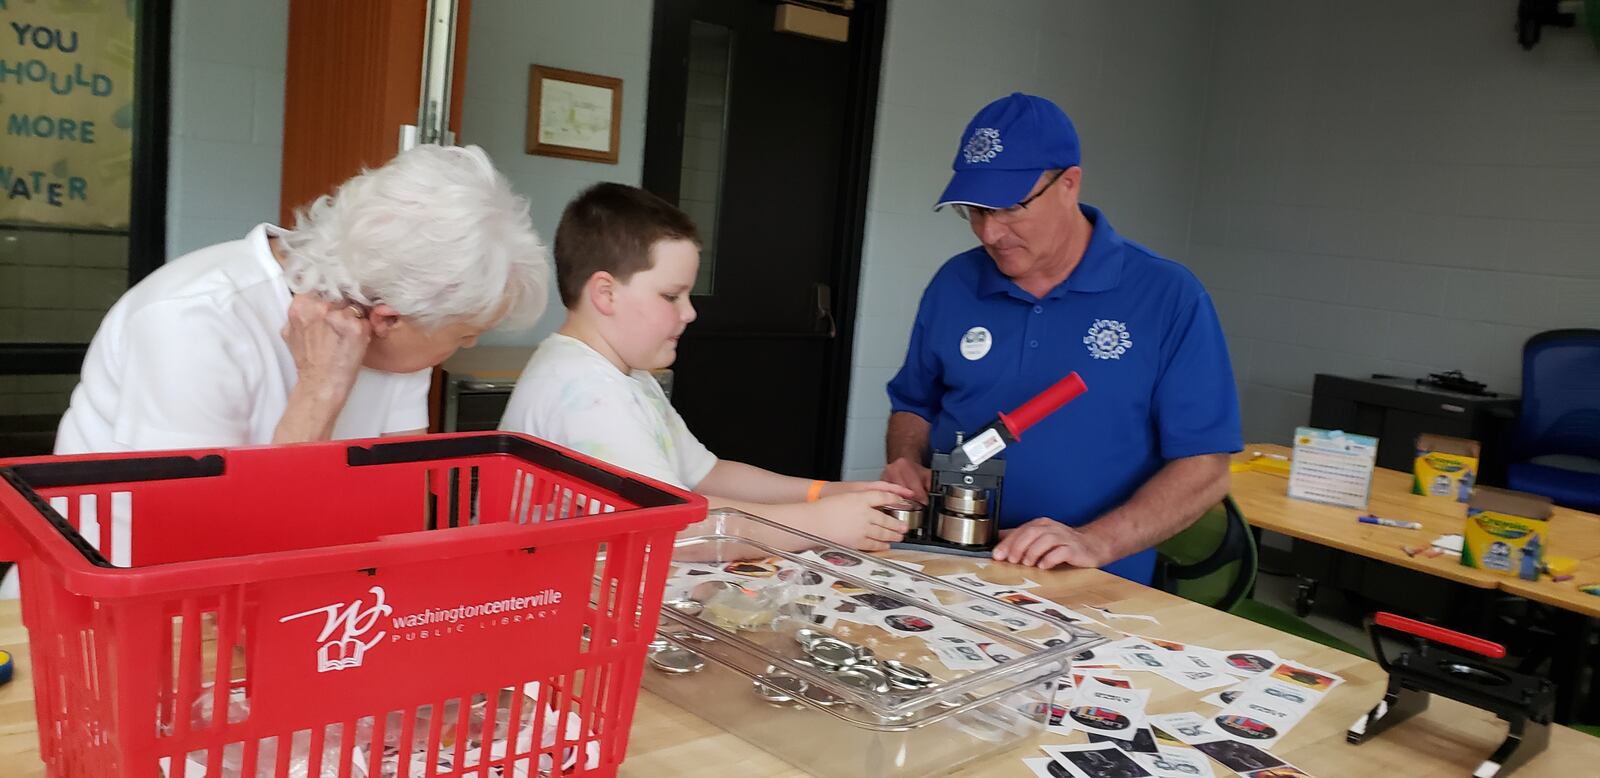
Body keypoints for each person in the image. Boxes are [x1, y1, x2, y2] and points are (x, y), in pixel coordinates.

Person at [879, 93, 1241, 583]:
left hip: (1092, 581)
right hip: (948, 565)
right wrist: (904, 460)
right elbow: (914, 404)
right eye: (974, 211)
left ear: (1069, 183)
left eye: (1009, 207)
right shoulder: (954, 282)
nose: (989, 233)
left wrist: (1096, 540)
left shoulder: (1167, 296)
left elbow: (1205, 467)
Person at [55, 144, 550, 454]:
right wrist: (321, 390)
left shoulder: (402, 331)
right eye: (466, 335)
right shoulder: (193, 319)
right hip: (114, 596)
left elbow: (394, 504)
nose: (464, 349)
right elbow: (200, 544)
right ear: (387, 318)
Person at [500, 183, 911, 551]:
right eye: (671, 295)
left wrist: (823, 494)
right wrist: (819, 524)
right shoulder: (586, 394)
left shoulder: (627, 376)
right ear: (606, 293)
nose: (690, 313)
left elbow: (707, 475)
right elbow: (672, 527)